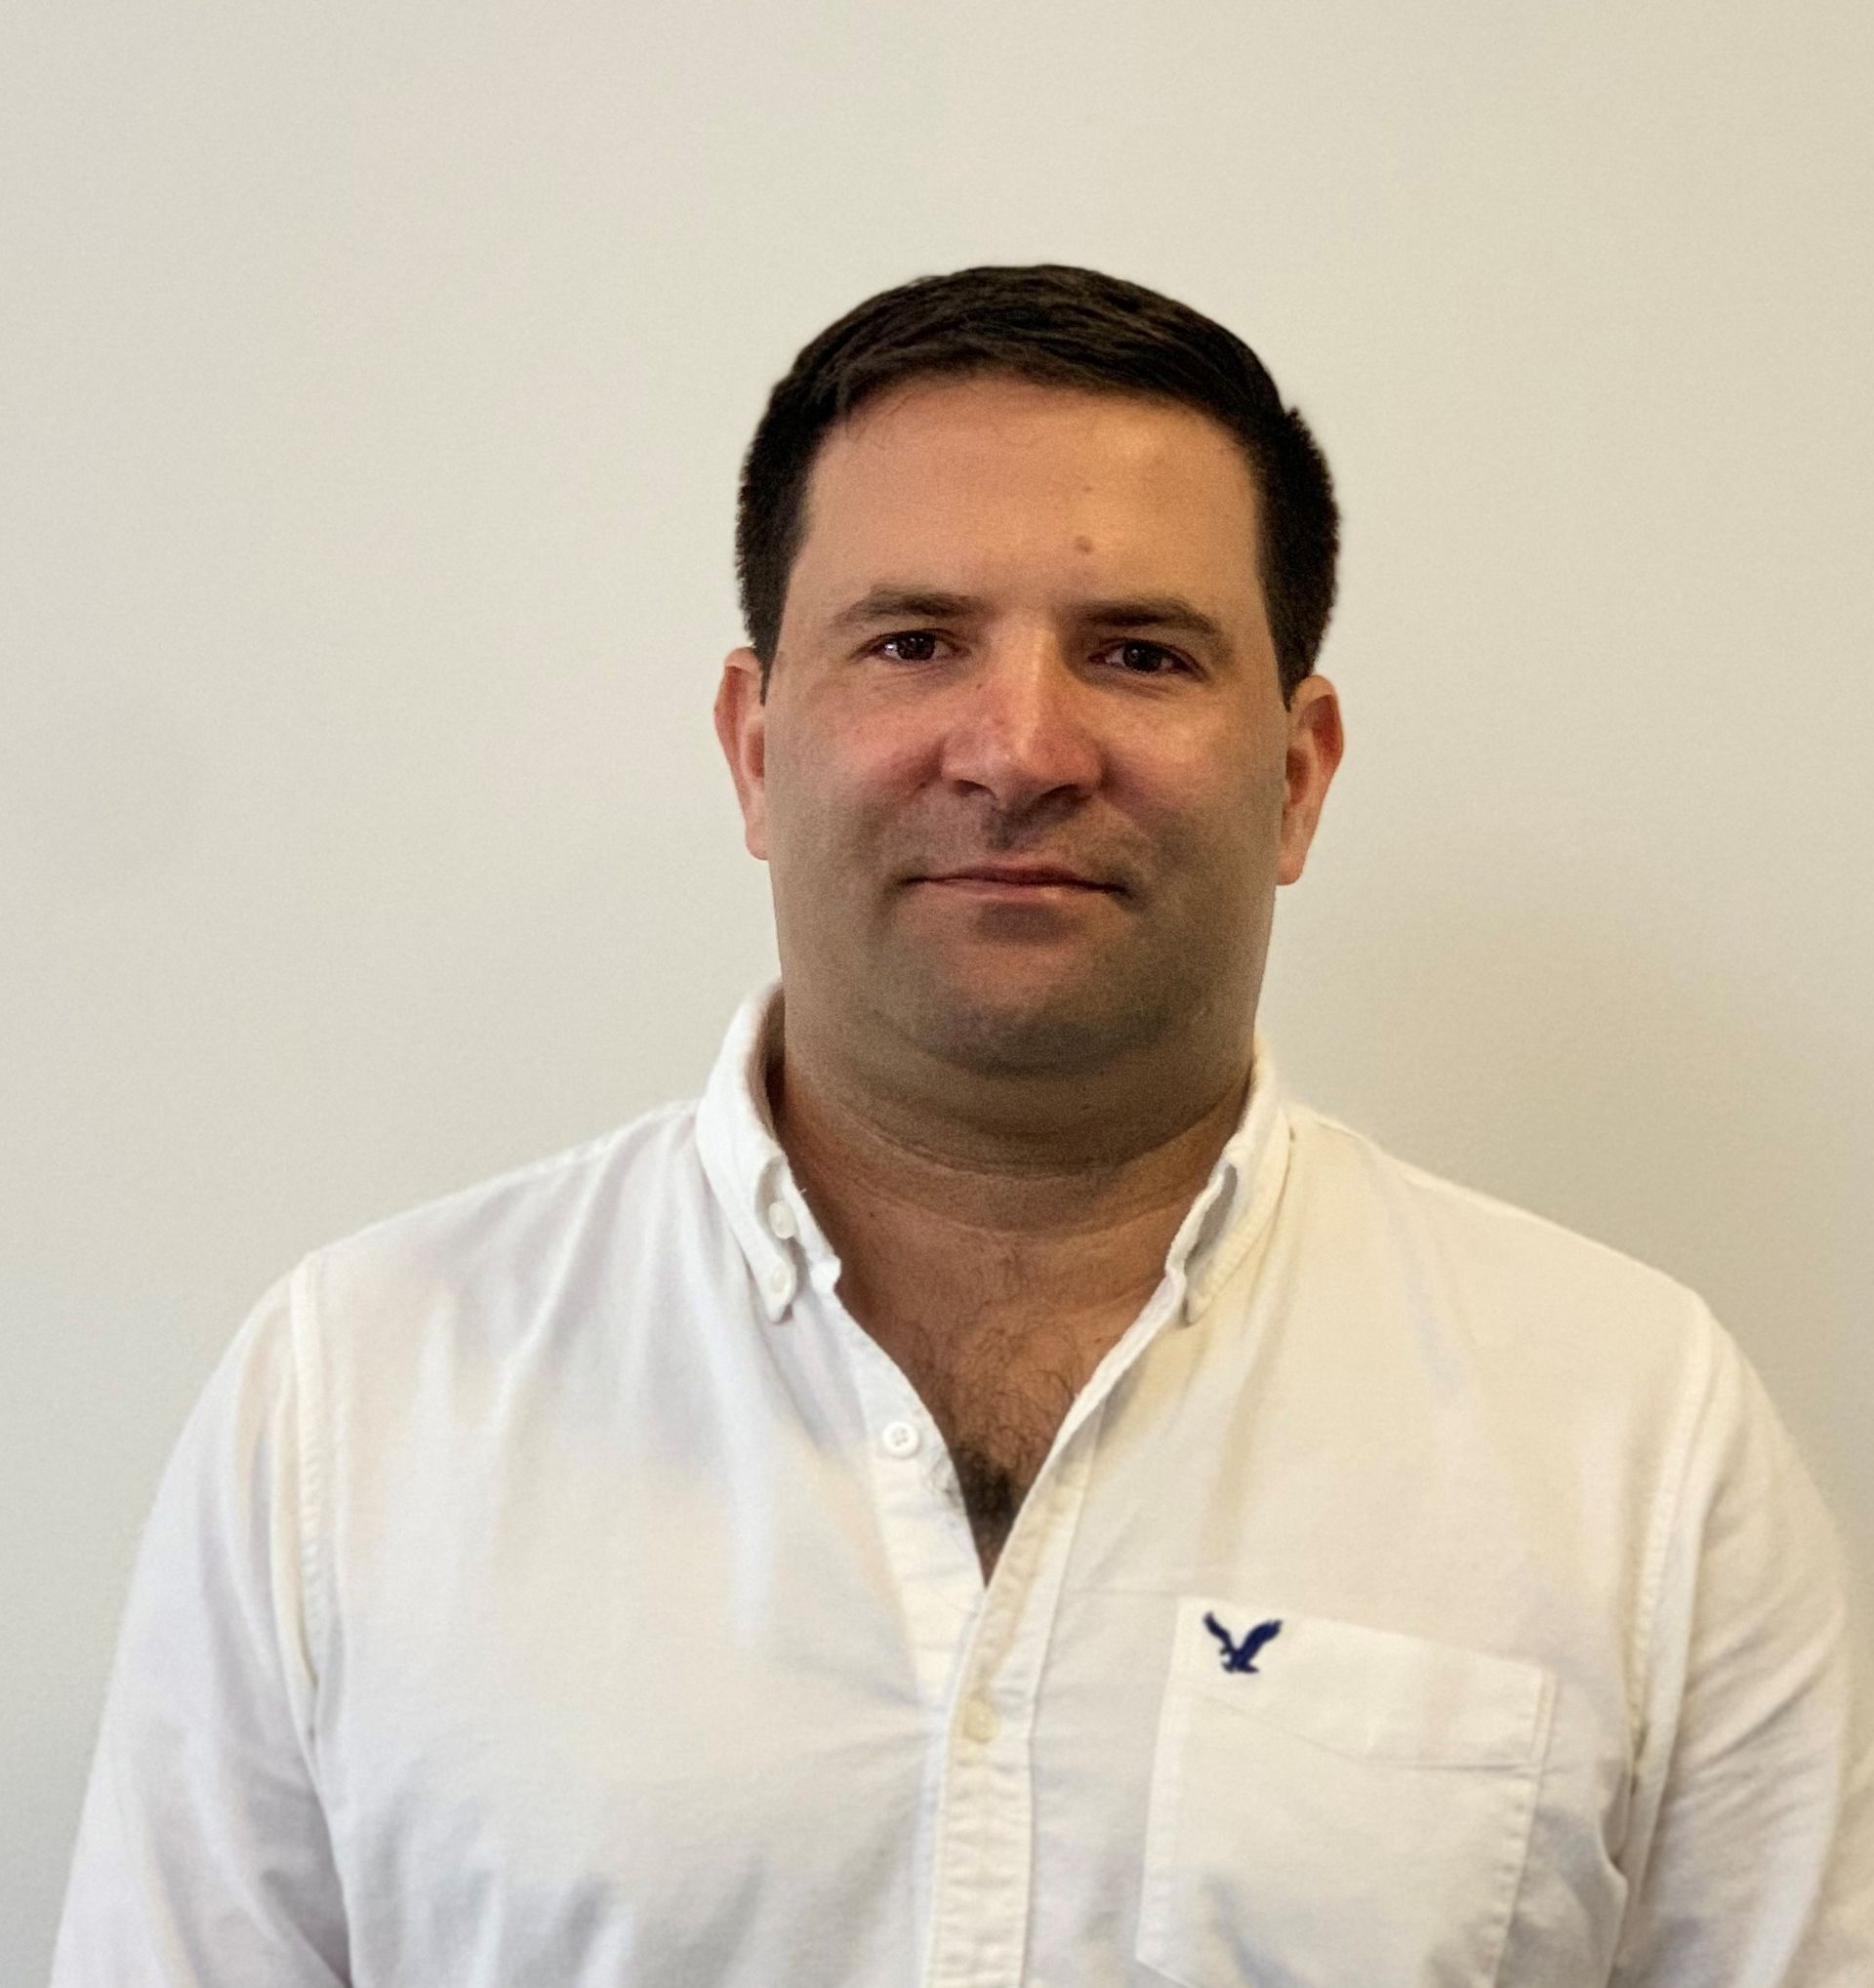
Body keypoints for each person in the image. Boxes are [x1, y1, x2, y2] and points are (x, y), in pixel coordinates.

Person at [51, 264, 1872, 1985]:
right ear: (756, 747)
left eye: (1139, 652)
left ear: (1297, 774)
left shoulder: (1637, 1437)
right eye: (913, 641)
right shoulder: (355, 1401)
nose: (1020, 748)